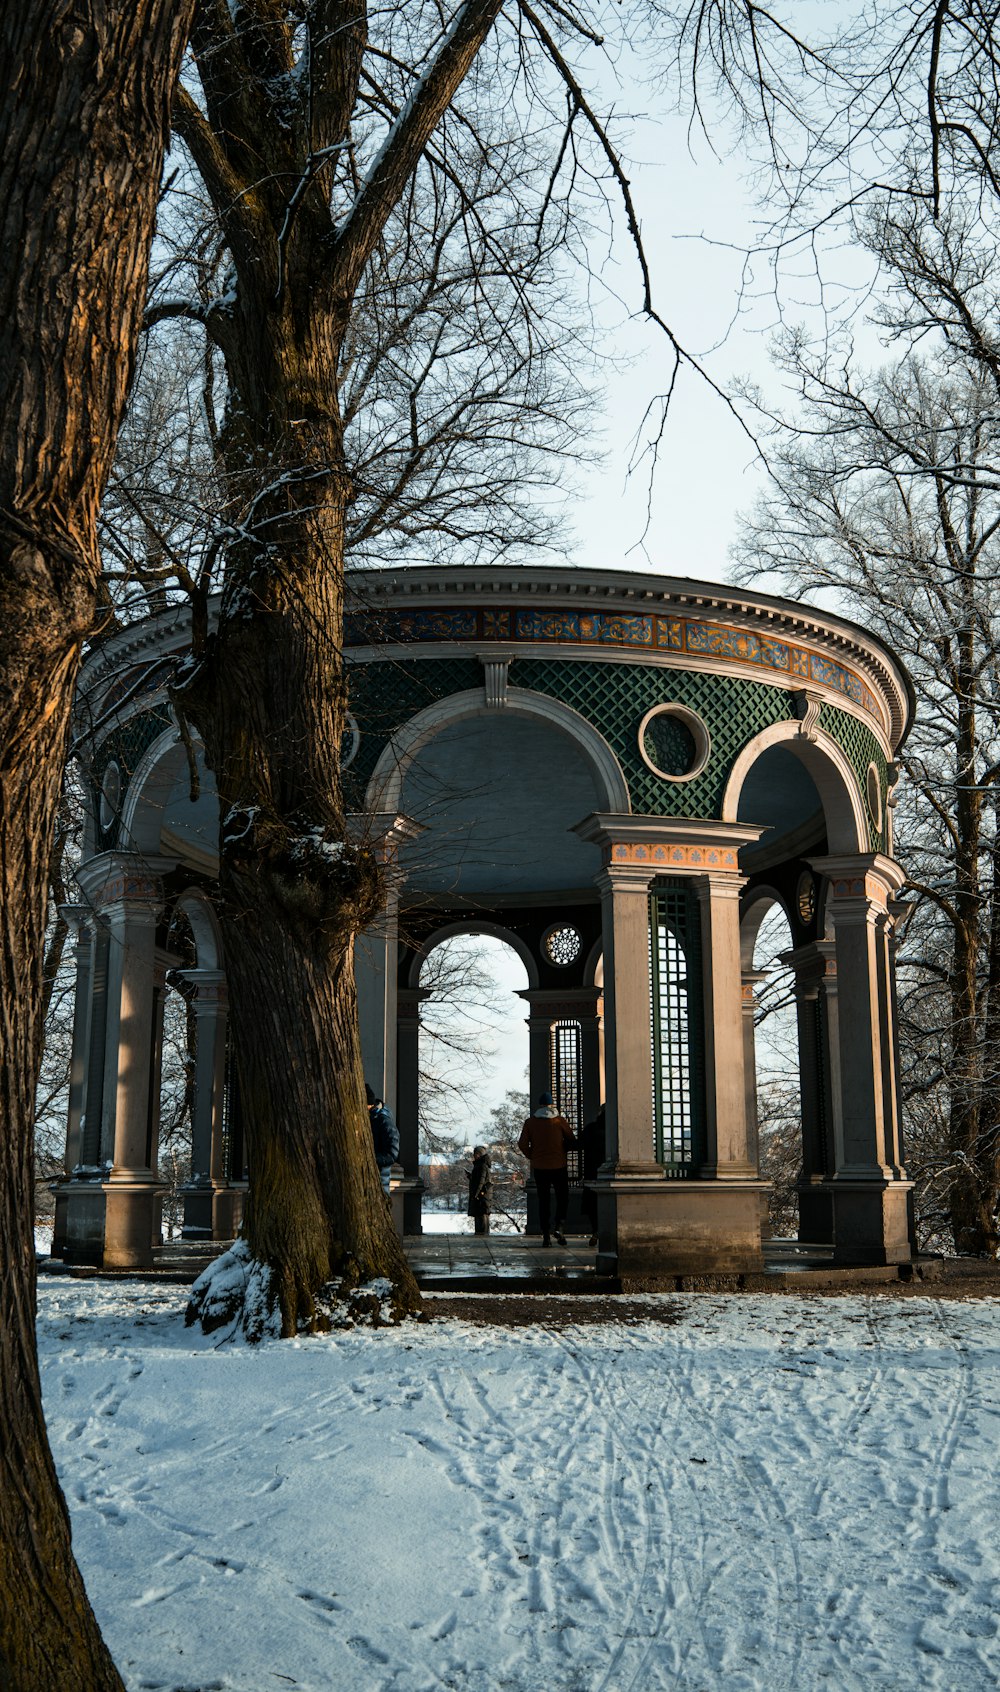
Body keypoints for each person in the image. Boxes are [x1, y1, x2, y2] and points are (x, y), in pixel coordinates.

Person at [518, 1090, 575, 1247]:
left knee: (544, 1201)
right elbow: (571, 1139)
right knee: (562, 1198)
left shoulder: (530, 1122)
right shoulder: (559, 1121)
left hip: (540, 1167)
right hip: (559, 1166)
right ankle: (559, 1227)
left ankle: (545, 1236)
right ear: (552, 1104)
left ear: (539, 1105)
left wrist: (533, 1156)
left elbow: (522, 1144)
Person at [366, 1082, 399, 1196]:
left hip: (381, 1177)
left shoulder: (384, 1121)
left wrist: (371, 1159)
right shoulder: (375, 1118)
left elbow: (391, 1154)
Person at [579, 1104, 605, 1247]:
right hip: (610, 1172)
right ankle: (604, 1230)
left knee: (592, 1204)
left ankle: (596, 1230)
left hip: (592, 1171)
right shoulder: (616, 1130)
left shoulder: (591, 1128)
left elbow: (579, 1144)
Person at [467, 1145, 492, 1235]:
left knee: (481, 1214)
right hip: (483, 1195)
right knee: (482, 1214)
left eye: (476, 1154)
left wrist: (476, 1194)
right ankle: (482, 1233)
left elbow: (481, 1182)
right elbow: (479, 1180)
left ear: (480, 1155)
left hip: (481, 1196)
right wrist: (471, 1177)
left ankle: (482, 1234)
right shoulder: (481, 1165)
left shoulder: (481, 1166)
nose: (474, 1156)